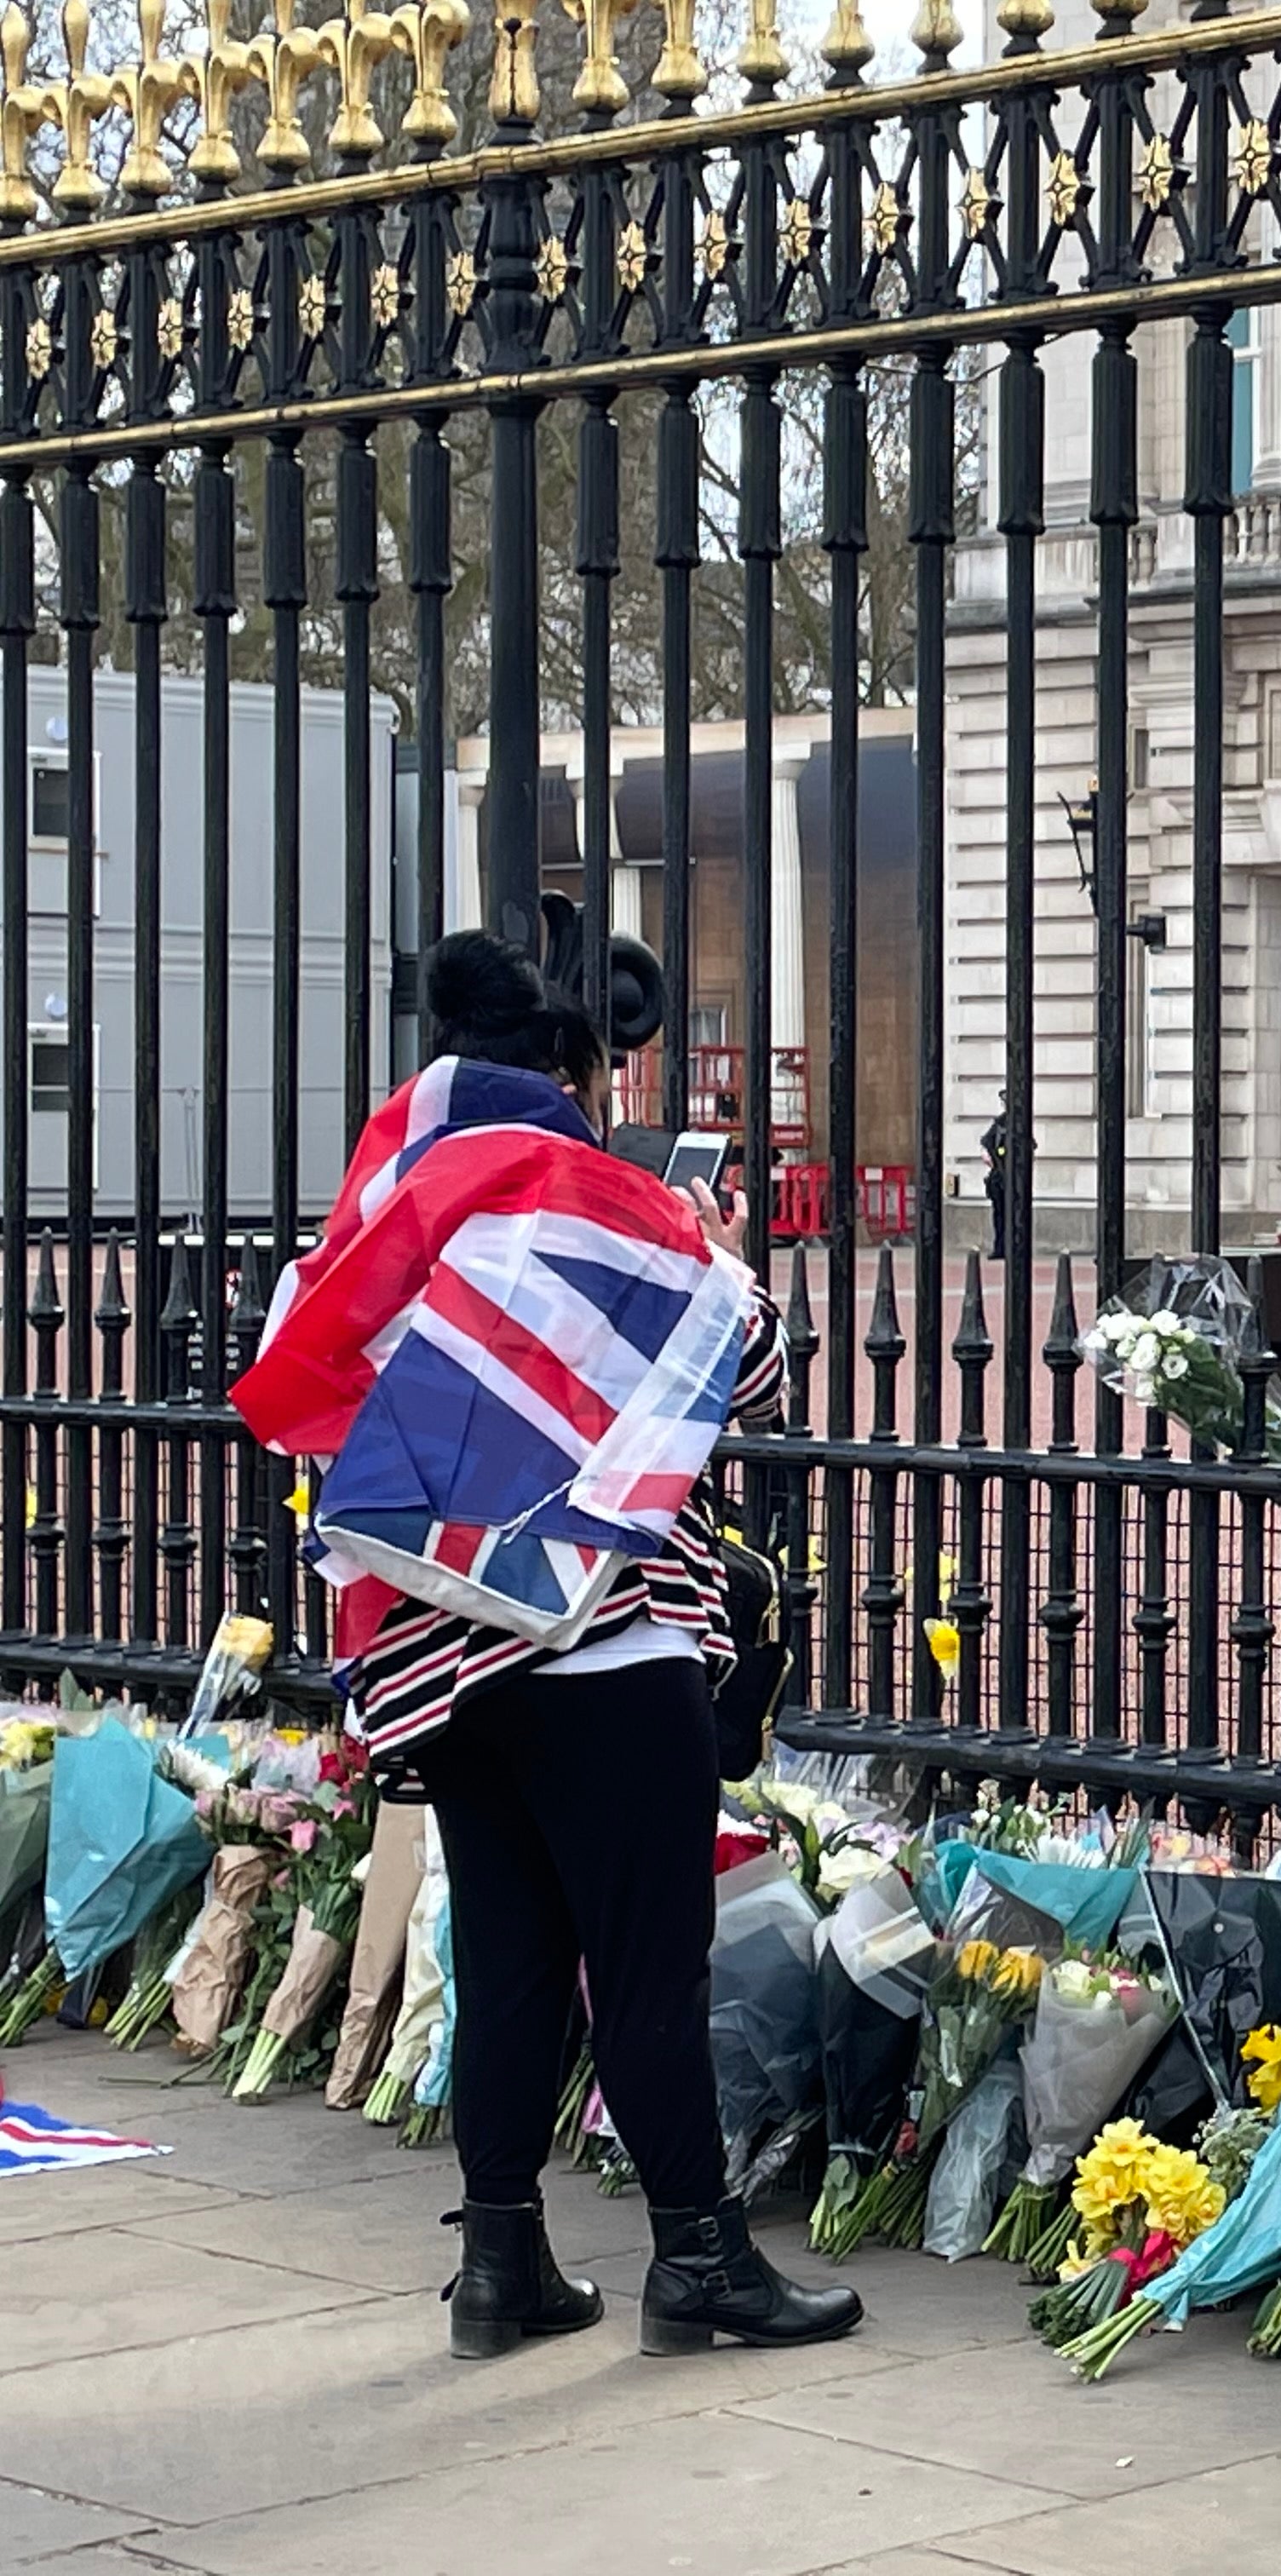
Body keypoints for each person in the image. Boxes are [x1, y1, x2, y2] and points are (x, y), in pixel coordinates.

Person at [242, 929, 860, 2363]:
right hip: (593, 1640)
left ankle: (501, 2268)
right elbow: (746, 1368)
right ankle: (700, 2259)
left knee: (513, 1953)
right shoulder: (595, 1190)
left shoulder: (388, 1193)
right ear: (576, 1072)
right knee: (647, 1961)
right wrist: (704, 1242)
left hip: (437, 1649)